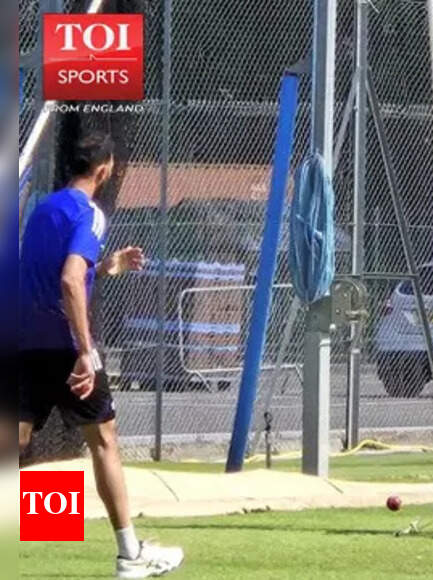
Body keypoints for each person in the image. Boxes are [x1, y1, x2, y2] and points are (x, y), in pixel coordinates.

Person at [18, 131, 185, 578]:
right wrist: (85, 352)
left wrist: (108, 266)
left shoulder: (43, 209)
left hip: (23, 341)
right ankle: (130, 555)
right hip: (65, 348)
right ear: (105, 169)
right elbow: (70, 279)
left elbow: (54, 273)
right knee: (105, 440)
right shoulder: (89, 213)